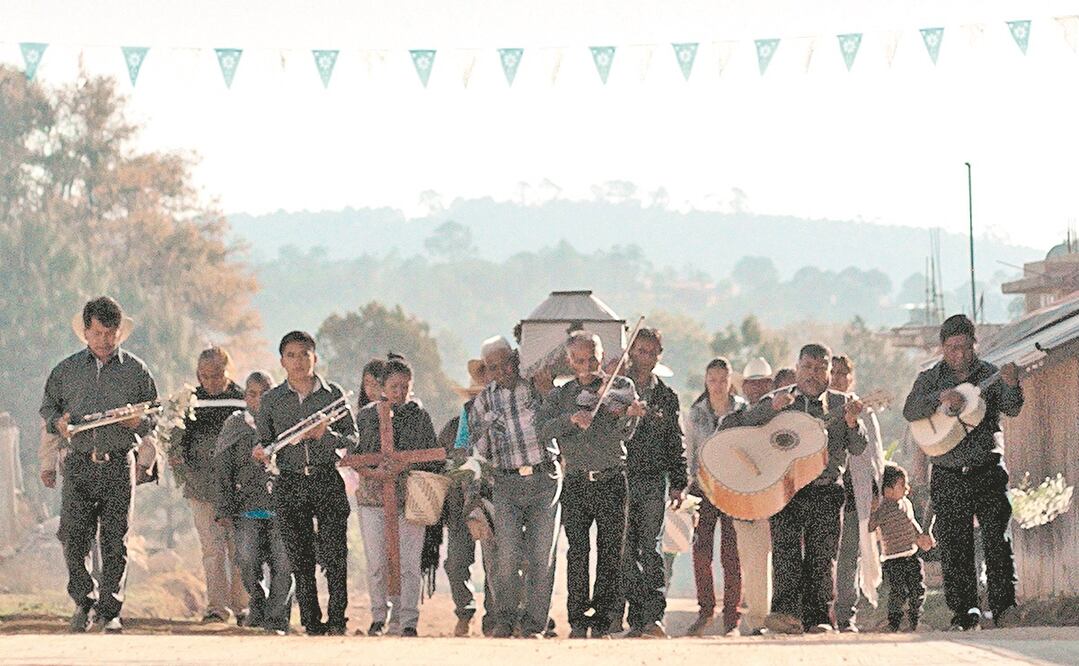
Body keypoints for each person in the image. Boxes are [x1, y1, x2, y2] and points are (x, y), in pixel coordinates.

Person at [40, 296, 158, 633]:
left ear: (120, 332)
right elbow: (48, 410)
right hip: (77, 463)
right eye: (97, 333)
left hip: (119, 463)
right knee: (73, 536)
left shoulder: (137, 370)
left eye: (111, 334)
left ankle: (110, 610)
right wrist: (59, 424)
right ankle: (83, 601)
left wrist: (136, 423)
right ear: (85, 333)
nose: (104, 341)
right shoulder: (65, 370)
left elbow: (154, 417)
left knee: (115, 539)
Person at [903, 314, 1023, 631]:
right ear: (943, 347)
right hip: (948, 473)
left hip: (987, 469)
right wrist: (939, 398)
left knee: (997, 540)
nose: (959, 353)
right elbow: (910, 409)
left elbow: (1012, 407)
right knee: (955, 546)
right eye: (952, 347)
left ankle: (1004, 608)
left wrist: (1011, 384)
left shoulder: (990, 375)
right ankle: (965, 612)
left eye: (965, 346)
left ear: (974, 344)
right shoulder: (930, 378)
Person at [737, 344, 868, 634]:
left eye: (820, 368)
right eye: (807, 367)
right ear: (797, 368)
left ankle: (818, 617)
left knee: (822, 557)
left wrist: (852, 422)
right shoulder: (780, 399)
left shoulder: (842, 402)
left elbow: (859, 447)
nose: (813, 373)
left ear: (828, 371)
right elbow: (744, 423)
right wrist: (770, 408)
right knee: (785, 555)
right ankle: (784, 616)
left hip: (826, 489)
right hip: (786, 490)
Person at [536, 331, 644, 639]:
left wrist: (630, 415)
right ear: (569, 361)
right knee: (578, 552)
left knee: (611, 551)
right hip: (576, 482)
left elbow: (624, 433)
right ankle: (577, 618)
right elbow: (543, 430)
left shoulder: (619, 389)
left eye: (592, 359)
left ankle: (604, 619)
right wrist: (572, 420)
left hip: (611, 479)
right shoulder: (561, 395)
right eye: (580, 360)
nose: (587, 366)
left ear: (601, 355)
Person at [254, 331, 357, 636]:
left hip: (326, 478)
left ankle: (338, 620)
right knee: (300, 557)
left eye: (304, 354)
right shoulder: (272, 400)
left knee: (336, 553)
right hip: (290, 481)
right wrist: (261, 451)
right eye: (291, 355)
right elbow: (265, 441)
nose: (298, 362)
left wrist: (325, 435)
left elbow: (352, 439)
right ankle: (312, 622)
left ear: (315, 357)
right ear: (282, 361)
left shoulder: (332, 394)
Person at [469, 336, 560, 639]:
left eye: (506, 362)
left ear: (515, 359)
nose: (502, 370)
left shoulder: (536, 386)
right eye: (493, 367)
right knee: (505, 555)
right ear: (488, 370)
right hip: (505, 482)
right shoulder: (483, 401)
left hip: (544, 478)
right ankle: (504, 620)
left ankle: (534, 624)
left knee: (540, 556)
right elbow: (477, 450)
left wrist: (548, 393)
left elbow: (559, 418)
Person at [353, 357, 442, 638]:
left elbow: (432, 456)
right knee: (377, 562)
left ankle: (408, 619)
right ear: (382, 386)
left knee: (409, 563)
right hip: (373, 498)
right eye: (394, 386)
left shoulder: (419, 416)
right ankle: (379, 616)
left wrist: (404, 465)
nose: (399, 392)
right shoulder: (366, 416)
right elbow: (353, 457)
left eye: (405, 386)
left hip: (409, 499)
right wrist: (377, 472)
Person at [617, 328, 686, 639]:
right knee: (625, 551)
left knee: (652, 548)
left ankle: (654, 617)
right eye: (640, 350)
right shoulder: (616, 390)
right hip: (619, 478)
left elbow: (676, 441)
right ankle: (635, 618)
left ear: (659, 356)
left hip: (653, 480)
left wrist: (679, 480)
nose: (645, 357)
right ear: (631, 352)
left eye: (651, 352)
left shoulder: (666, 397)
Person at [214, 371, 294, 634]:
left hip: (283, 507)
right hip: (248, 507)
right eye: (252, 393)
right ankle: (258, 604)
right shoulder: (235, 425)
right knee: (247, 562)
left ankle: (277, 617)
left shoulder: (286, 422)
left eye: (264, 393)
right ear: (245, 396)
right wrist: (224, 507)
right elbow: (223, 469)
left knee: (283, 563)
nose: (258, 398)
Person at [174, 346, 249, 624]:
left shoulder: (242, 400)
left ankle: (243, 607)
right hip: (201, 487)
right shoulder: (189, 402)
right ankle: (217, 608)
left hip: (237, 489)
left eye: (217, 375)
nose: (211, 381)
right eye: (205, 376)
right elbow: (178, 439)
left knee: (239, 548)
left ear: (228, 371)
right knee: (212, 549)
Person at [714, 357, 777, 636]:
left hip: (783, 499)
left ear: (771, 385)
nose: (757, 388)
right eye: (752, 383)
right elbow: (720, 451)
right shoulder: (733, 420)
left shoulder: (783, 416)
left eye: (763, 383)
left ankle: (786, 615)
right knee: (753, 563)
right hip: (749, 502)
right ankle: (759, 621)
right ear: (745, 386)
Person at [684, 358, 745, 637]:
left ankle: (732, 617)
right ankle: (705, 610)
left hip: (733, 488)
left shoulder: (742, 410)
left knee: (731, 555)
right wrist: (687, 488)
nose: (718, 386)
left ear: (730, 380)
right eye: (713, 380)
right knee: (701, 553)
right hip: (703, 488)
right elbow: (690, 452)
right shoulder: (696, 413)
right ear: (706, 381)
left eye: (723, 380)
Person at [438, 357, 497, 637]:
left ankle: (495, 616)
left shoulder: (505, 417)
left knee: (495, 561)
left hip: (495, 498)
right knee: (458, 561)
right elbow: (446, 462)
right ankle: (465, 610)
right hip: (460, 501)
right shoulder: (454, 425)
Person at [831, 354, 885, 633]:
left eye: (843, 374)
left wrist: (876, 495)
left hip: (855, 494)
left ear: (852, 378)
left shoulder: (864, 410)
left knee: (849, 556)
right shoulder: (821, 406)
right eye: (834, 372)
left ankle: (845, 615)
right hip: (825, 493)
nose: (838, 378)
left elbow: (875, 456)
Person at [869, 463, 934, 632]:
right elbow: (870, 526)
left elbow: (911, 522)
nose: (907, 488)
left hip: (912, 556)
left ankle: (915, 620)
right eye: (902, 485)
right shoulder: (882, 509)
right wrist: (872, 507)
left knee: (917, 589)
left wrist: (921, 537)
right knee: (898, 592)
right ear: (888, 490)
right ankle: (894, 623)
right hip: (893, 559)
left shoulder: (906, 504)